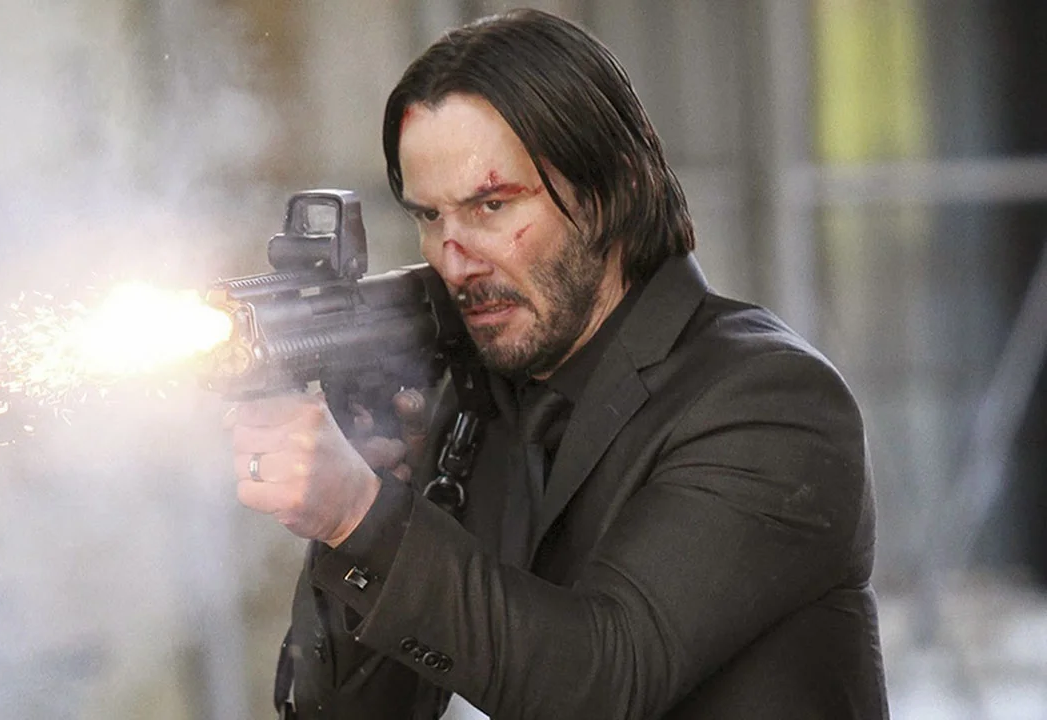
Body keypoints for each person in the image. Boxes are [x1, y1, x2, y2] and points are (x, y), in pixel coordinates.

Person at [226, 8, 888, 719]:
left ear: (608, 193)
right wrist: (372, 495)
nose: (454, 259)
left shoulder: (771, 401)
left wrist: (361, 517)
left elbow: (605, 681)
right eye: (429, 216)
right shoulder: (484, 408)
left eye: (491, 205)